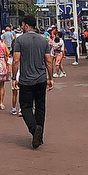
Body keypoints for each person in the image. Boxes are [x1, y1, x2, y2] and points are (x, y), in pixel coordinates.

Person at [11, 15, 54, 149]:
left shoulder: (20, 40)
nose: (21, 27)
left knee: (25, 106)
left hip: (26, 80)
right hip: (41, 78)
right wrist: (50, 78)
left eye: (22, 25)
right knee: (40, 107)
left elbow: (16, 60)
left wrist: (14, 77)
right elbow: (49, 60)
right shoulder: (43, 40)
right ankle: (39, 136)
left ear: (26, 25)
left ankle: (34, 129)